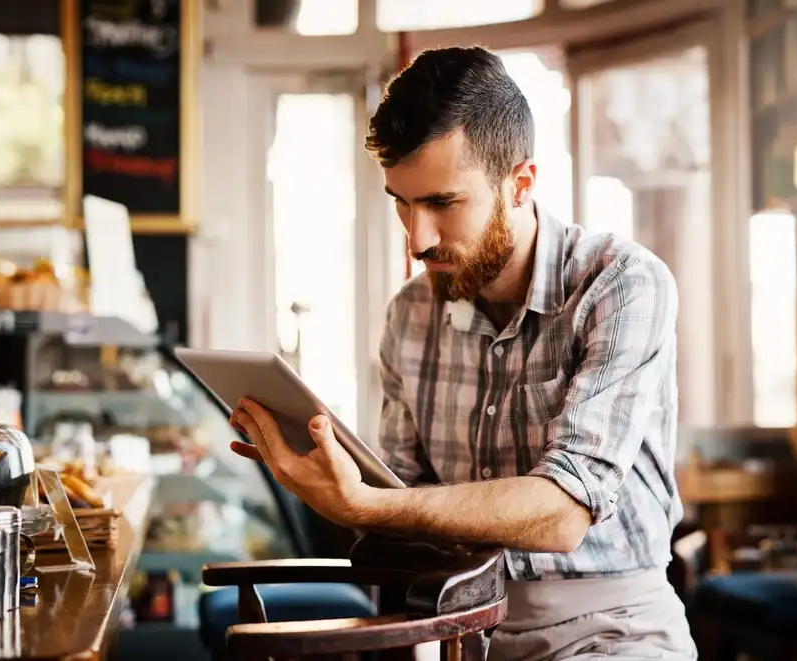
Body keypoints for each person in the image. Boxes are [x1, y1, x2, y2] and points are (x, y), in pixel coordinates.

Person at [229, 46, 695, 661]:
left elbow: (563, 513)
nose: (417, 238)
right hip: (464, 632)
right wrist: (328, 485)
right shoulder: (410, 315)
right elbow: (404, 506)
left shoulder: (622, 283)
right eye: (401, 200)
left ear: (520, 183)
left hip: (615, 630)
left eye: (442, 203)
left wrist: (373, 502)